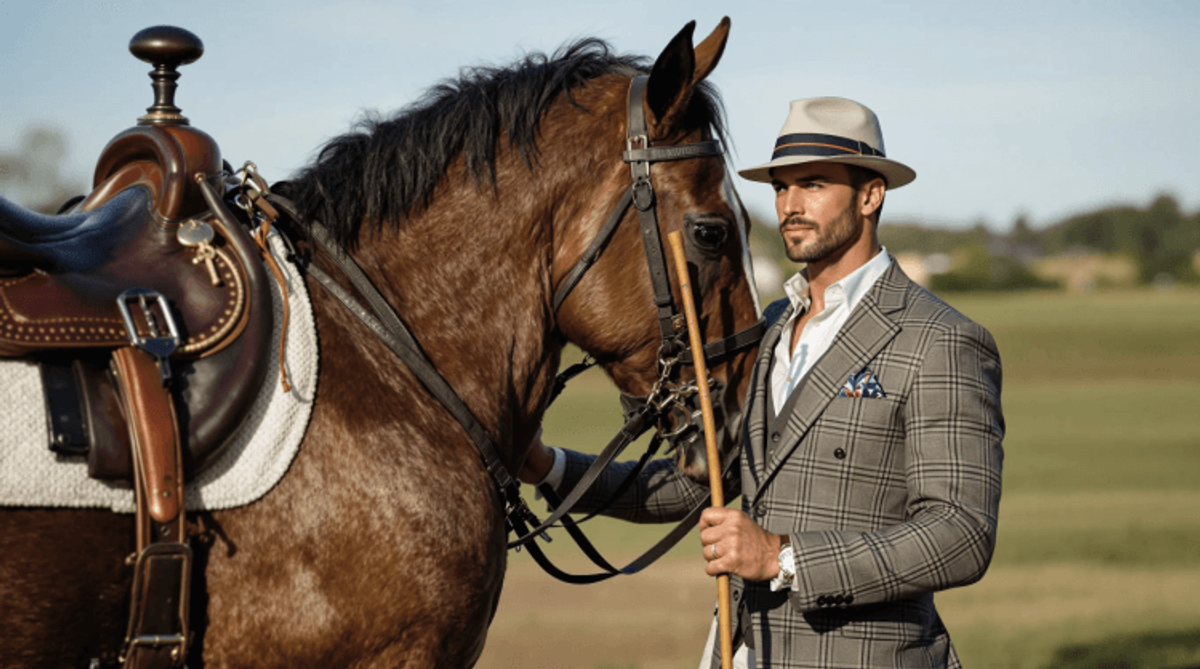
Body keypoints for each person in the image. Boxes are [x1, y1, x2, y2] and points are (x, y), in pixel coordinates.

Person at [520, 97, 1004, 669]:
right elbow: (701, 484)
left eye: (814, 184)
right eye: (780, 187)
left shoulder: (939, 339)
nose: (790, 206)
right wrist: (546, 466)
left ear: (872, 194)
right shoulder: (769, 327)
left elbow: (960, 533)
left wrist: (782, 558)